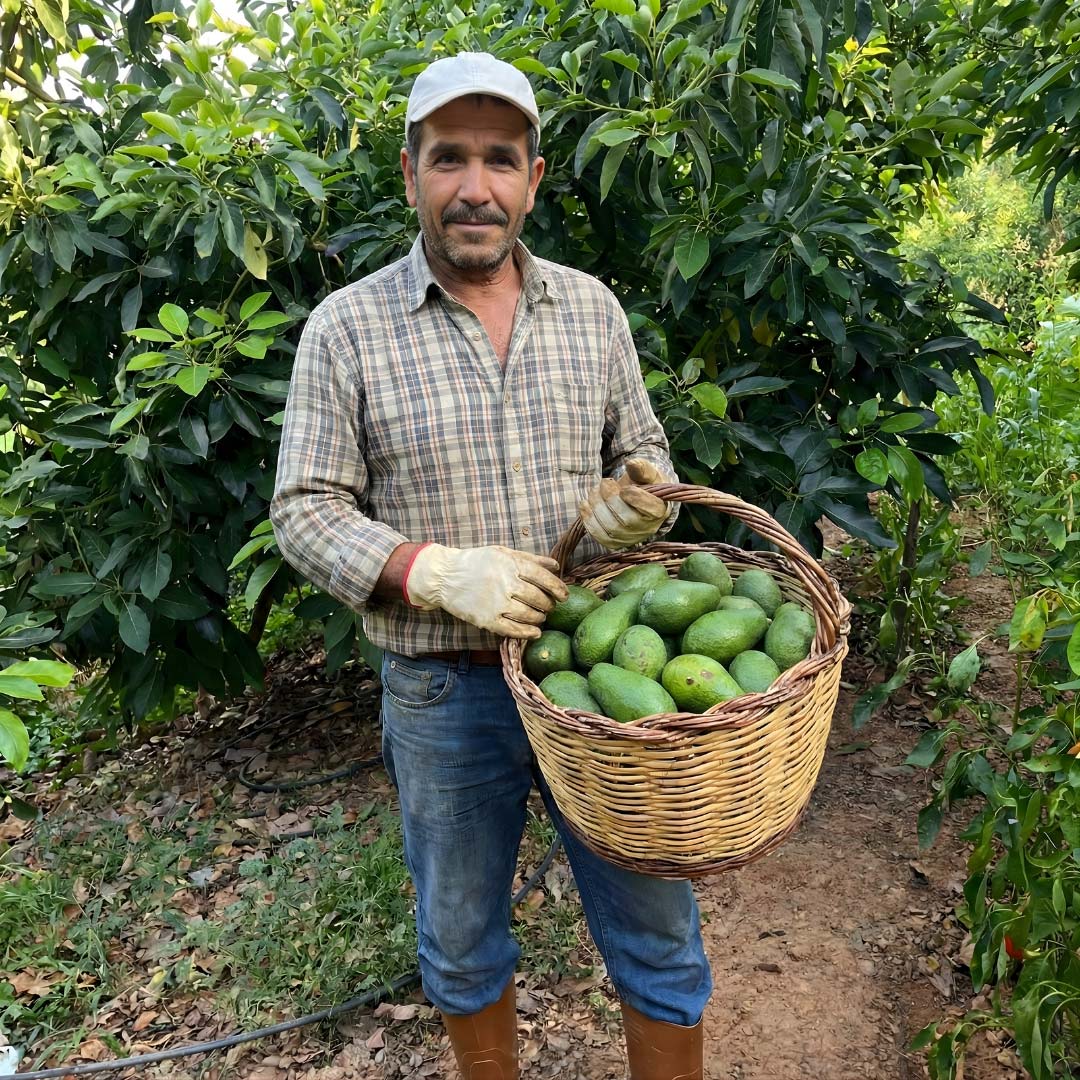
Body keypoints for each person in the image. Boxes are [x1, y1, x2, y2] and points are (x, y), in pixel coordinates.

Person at [270, 51, 711, 1079]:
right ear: (411, 169)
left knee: (656, 926)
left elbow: (647, 455)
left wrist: (639, 494)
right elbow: (302, 509)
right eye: (450, 159)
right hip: (444, 694)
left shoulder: (592, 311)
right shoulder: (347, 329)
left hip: (597, 683)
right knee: (463, 941)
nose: (476, 187)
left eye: (500, 160)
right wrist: (427, 570)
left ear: (534, 178)